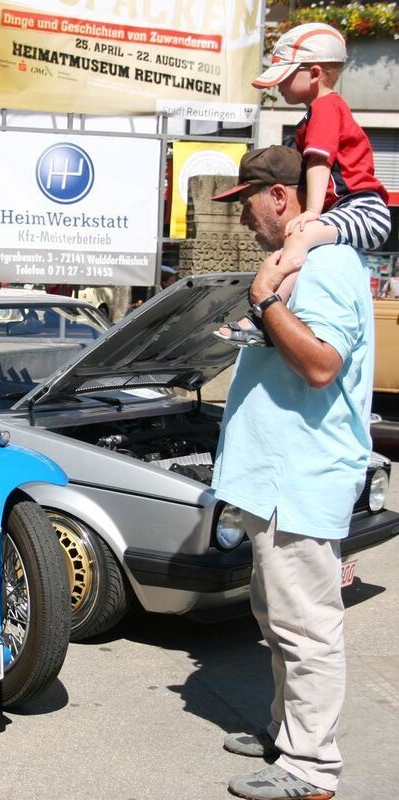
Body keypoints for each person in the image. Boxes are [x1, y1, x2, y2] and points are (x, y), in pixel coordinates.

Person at [210, 145, 374, 800]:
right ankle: (286, 734)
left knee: (306, 628)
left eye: (246, 201)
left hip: (297, 478)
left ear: (278, 196)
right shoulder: (297, 263)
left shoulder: (327, 263)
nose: (242, 218)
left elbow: (321, 365)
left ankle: (309, 771)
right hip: (272, 479)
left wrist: (262, 301)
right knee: (278, 618)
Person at [215, 22, 390, 347]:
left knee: (299, 236)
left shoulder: (325, 108)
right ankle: (268, 315)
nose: (278, 85)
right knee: (298, 243)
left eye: (284, 75)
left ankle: (264, 313)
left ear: (314, 73)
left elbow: (320, 161)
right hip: (355, 208)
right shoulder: (318, 112)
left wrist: (311, 212)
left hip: (363, 208)